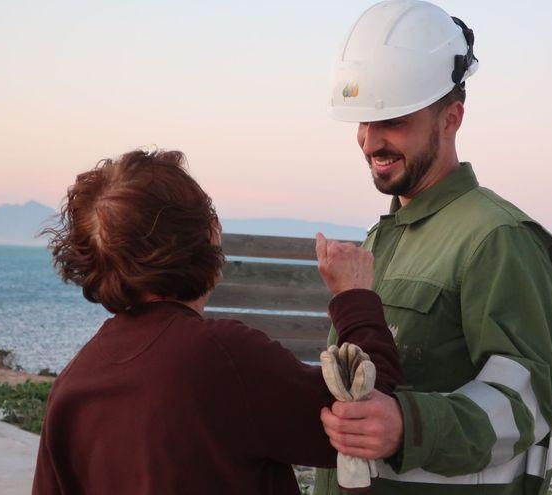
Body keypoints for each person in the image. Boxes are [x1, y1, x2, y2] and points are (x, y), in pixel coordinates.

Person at [31, 149, 403, 494]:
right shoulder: (220, 357)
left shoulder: (73, 385)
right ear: (206, 235)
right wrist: (353, 296)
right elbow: (364, 419)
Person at [315, 1, 552, 494]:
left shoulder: (498, 237)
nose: (370, 142)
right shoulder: (383, 236)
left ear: (451, 117)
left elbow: (525, 403)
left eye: (394, 121)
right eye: (364, 123)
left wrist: (409, 424)